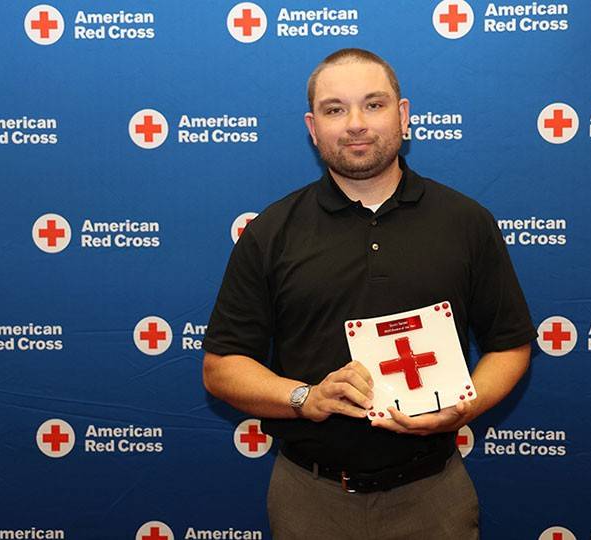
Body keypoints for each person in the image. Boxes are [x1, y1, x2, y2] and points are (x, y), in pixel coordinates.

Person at [202, 48, 536, 540]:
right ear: (313, 127)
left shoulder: (466, 222)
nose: (355, 123)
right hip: (309, 497)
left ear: (403, 117)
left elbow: (509, 344)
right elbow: (221, 367)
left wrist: (466, 406)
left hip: (434, 495)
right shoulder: (272, 231)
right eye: (335, 109)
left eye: (374, 105)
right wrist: (305, 397)